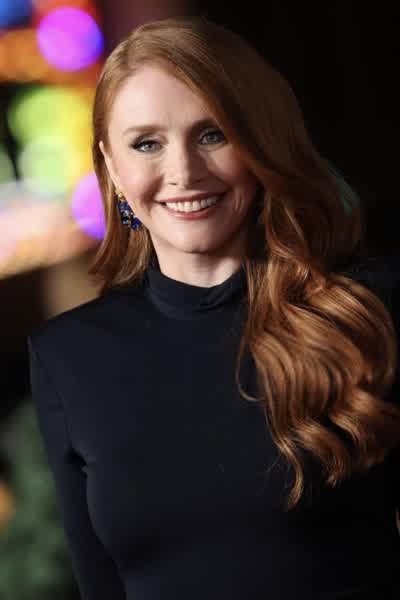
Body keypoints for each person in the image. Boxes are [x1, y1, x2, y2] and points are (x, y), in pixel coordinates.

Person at [28, 15, 400, 600]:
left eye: (212, 134)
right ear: (113, 168)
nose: (183, 172)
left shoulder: (366, 306)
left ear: (260, 142)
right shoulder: (66, 356)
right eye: (146, 144)